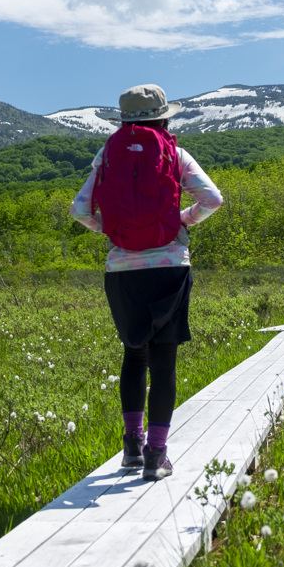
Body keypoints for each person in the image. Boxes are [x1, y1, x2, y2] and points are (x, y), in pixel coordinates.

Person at [70, 84, 223, 481]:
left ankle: (131, 448)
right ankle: (157, 456)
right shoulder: (175, 153)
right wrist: (181, 220)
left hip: (122, 272)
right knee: (164, 362)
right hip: (170, 265)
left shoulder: (107, 155)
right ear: (163, 117)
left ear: (123, 120)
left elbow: (79, 209)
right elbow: (213, 199)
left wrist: (111, 230)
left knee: (134, 355)